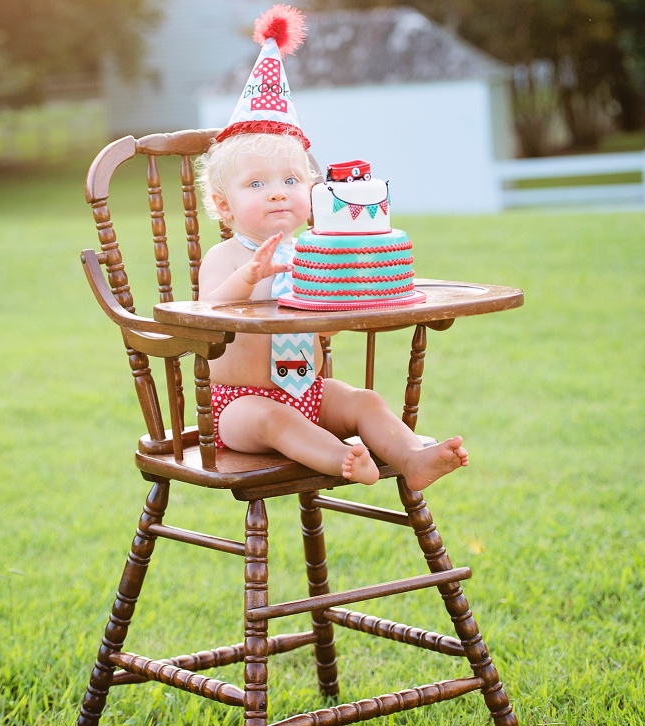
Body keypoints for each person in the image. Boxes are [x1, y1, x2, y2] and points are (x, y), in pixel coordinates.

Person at [196, 130, 468, 489]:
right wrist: (248, 278)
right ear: (224, 205)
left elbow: (323, 330)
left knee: (364, 401)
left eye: (291, 180)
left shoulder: (313, 257)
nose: (277, 192)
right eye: (256, 183)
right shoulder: (225, 257)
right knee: (276, 420)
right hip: (239, 405)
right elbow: (205, 314)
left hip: (309, 390)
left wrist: (339, 305)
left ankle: (411, 457)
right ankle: (341, 458)